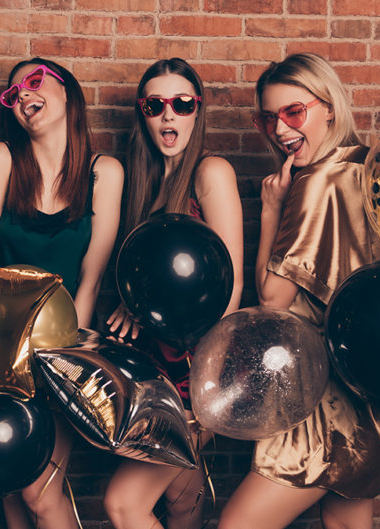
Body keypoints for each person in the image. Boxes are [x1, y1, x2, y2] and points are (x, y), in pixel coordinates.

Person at [216, 52, 380, 529]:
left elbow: (273, 300)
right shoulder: (367, 169)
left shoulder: (315, 183)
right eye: (269, 117)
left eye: (294, 112)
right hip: (373, 403)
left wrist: (271, 209)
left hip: (323, 407)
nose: (280, 130)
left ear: (329, 108)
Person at [0, 57, 124, 529]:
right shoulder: (1, 158)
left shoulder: (105, 172)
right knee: (14, 486)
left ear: (68, 94)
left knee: (39, 491)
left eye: (34, 83)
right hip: (1, 347)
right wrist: (7, 356)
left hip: (66, 350)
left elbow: (92, 277)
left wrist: (65, 361)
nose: (22, 96)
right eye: (12, 94)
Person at [102, 58, 243, 529]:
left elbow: (232, 282)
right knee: (180, 504)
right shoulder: (144, 185)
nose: (169, 115)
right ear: (142, 114)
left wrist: (209, 387)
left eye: (182, 104)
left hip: (197, 372)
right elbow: (156, 277)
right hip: (153, 368)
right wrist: (134, 302)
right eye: (156, 105)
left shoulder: (211, 172)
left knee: (124, 505)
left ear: (197, 111)